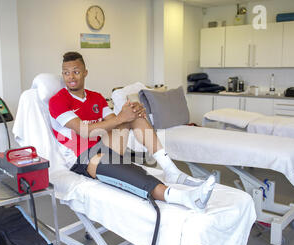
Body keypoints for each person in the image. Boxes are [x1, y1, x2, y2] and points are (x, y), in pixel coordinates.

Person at [49, 51, 216, 211]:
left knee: (134, 115)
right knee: (115, 163)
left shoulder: (96, 97)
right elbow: (83, 130)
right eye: (66, 73)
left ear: (85, 73)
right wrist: (122, 117)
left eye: (76, 72)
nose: (70, 77)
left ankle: (170, 170)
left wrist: (130, 113)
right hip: (81, 159)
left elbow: (113, 122)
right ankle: (182, 198)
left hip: (104, 145)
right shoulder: (58, 101)